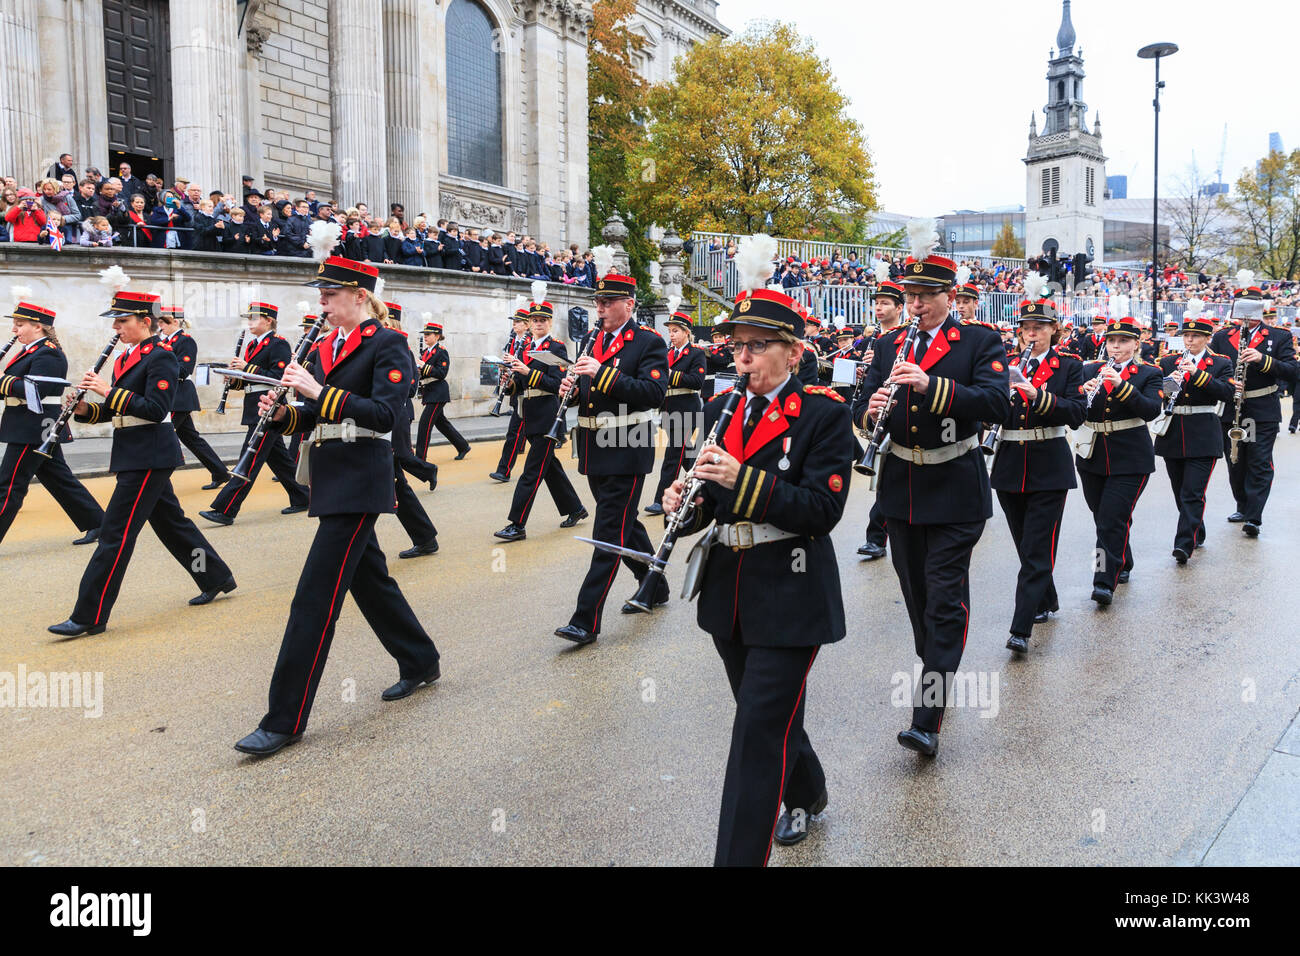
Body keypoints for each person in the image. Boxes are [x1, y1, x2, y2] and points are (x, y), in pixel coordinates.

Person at [662, 270, 852, 866]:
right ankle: (808, 789)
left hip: (792, 594)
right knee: (764, 712)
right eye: (736, 346)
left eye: (756, 346)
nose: (741, 358)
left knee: (754, 737)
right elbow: (711, 504)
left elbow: (822, 510)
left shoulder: (822, 413)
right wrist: (684, 503)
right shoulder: (721, 405)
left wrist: (741, 480)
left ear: (792, 351)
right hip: (730, 592)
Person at [233, 256, 441, 757]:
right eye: (321, 296)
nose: (321, 304)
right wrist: (284, 414)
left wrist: (316, 392)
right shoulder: (327, 344)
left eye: (329, 296)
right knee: (371, 581)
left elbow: (385, 415)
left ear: (360, 297)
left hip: (362, 478)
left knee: (313, 598)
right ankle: (420, 659)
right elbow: (313, 417)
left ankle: (284, 718)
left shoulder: (388, 344)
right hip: (330, 474)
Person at [851, 229, 1010, 757]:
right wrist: (869, 411)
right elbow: (860, 405)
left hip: (955, 490)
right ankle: (937, 669)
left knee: (944, 601)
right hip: (901, 488)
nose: (913, 305)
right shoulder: (888, 343)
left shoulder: (979, 342)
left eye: (924, 296)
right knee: (918, 598)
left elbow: (996, 405)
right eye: (908, 295)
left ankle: (927, 717)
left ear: (949, 295)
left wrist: (930, 386)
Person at [48, 290, 235, 638]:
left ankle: (89, 614)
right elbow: (114, 411)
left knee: (114, 536)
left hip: (150, 453)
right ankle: (216, 576)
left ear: (145, 321)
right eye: (115, 322)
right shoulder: (127, 357)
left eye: (123, 321)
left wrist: (106, 390)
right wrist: (83, 408)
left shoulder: (162, 357)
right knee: (171, 524)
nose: (116, 328)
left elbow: (154, 408)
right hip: (134, 451)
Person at [553, 266, 668, 645]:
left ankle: (585, 620)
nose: (599, 308)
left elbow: (652, 394)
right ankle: (654, 582)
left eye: (607, 302)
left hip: (629, 446)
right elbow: (587, 391)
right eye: (597, 302)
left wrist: (601, 374)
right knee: (624, 523)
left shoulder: (648, 342)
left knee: (607, 533)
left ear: (628, 304)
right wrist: (568, 387)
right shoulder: (590, 338)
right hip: (594, 447)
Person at [989, 293, 1085, 655]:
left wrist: (1038, 396)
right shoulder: (1004, 363)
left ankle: (1021, 628)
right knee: (1024, 544)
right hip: (1010, 460)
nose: (1032, 334)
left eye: (1039, 328)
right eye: (1026, 328)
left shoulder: (1068, 366)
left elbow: (1076, 412)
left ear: (1053, 330)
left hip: (1049, 464)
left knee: (1036, 549)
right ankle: (1046, 598)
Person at [1075, 313, 1164, 606]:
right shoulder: (1088, 370)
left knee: (1111, 520)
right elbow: (1074, 412)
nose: (1115, 346)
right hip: (1092, 454)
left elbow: (1151, 410)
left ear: (1135, 344)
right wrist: (1081, 394)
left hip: (1131, 458)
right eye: (1111, 341)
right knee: (1104, 518)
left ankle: (1103, 580)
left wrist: (1122, 385)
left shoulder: (1149, 373)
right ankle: (1122, 559)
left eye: (1123, 341)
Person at [0, 300, 104, 547]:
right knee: (58, 477)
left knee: (9, 484)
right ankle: (98, 522)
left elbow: (37, 388)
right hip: (29, 424)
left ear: (38, 327)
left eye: (19, 324)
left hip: (34, 426)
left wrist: (2, 382)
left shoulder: (48, 352)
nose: (14, 330)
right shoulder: (30, 351)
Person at [199, 302, 310, 526]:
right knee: (278, 458)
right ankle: (302, 496)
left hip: (270, 406)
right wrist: (235, 378)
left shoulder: (278, 344)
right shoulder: (252, 345)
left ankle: (226, 509)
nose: (249, 323)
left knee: (248, 458)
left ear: (268, 320)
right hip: (254, 405)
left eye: (254, 318)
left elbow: (278, 376)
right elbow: (250, 381)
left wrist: (246, 368)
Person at [492, 298, 587, 542]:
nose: (538, 323)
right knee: (550, 469)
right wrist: (510, 381)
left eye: (542, 320)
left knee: (531, 472)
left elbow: (557, 384)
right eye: (534, 320)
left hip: (548, 416)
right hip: (530, 414)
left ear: (550, 322)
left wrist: (527, 371)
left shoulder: (555, 348)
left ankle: (517, 524)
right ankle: (575, 508)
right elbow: (520, 386)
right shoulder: (525, 349)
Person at [1210, 280, 1298, 537]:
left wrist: (1263, 359)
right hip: (1230, 407)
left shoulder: (1278, 336)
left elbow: (1293, 371)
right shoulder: (1221, 337)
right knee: (1235, 461)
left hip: (1261, 408)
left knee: (1259, 462)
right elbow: (1213, 370)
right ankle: (1243, 504)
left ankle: (1254, 516)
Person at [1153, 304, 1234, 564]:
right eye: (1187, 336)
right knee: (1180, 491)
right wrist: (1171, 381)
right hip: (1174, 432)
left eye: (1196, 336)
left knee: (1192, 492)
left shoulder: (1220, 363)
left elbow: (1226, 392)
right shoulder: (1168, 361)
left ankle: (1183, 544)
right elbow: (1160, 395)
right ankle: (1196, 529)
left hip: (1204, 432)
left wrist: (1197, 374)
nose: (1190, 340)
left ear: (1207, 338)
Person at [381, 309, 440, 560]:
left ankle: (425, 537)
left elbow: (408, 384)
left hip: (392, 416)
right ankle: (424, 537)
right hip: (385, 418)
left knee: (396, 472)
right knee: (396, 479)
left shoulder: (396, 345)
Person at [855, 277, 906, 560]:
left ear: (899, 308)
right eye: (876, 303)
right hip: (877, 405)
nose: (879, 307)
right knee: (887, 480)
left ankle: (877, 537)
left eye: (885, 303)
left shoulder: (907, 335)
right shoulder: (872, 338)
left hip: (901, 408)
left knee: (888, 482)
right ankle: (879, 536)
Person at [156, 307, 230, 489]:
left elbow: (184, 370)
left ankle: (157, 481)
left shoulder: (185, 341)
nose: (160, 327)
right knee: (191, 438)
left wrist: (157, 370)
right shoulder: (163, 342)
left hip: (179, 397)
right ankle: (220, 472)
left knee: (163, 437)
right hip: (172, 396)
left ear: (175, 322)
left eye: (163, 323)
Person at [646, 309, 707, 516]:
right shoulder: (667, 354)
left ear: (686, 332)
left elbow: (697, 382)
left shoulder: (696, 353)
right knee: (685, 454)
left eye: (675, 331)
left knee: (673, 456)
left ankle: (659, 499)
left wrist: (672, 374)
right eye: (670, 331)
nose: (671, 335)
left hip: (686, 409)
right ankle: (704, 482)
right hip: (669, 409)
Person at [415, 321, 471, 461]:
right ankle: (462, 446)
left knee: (424, 424)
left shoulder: (441, 352)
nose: (425, 337)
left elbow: (441, 373)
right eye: (425, 334)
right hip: (429, 391)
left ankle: (420, 458)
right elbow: (424, 372)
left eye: (428, 334)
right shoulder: (425, 352)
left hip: (438, 392)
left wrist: (424, 365)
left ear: (437, 336)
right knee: (441, 423)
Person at [489, 307, 532, 482]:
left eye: (517, 322)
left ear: (526, 324)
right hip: (518, 392)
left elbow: (528, 367)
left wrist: (514, 362)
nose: (514, 325)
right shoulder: (513, 341)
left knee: (519, 435)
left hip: (530, 394)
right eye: (513, 322)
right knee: (517, 433)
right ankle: (504, 470)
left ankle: (504, 470)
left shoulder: (529, 342)